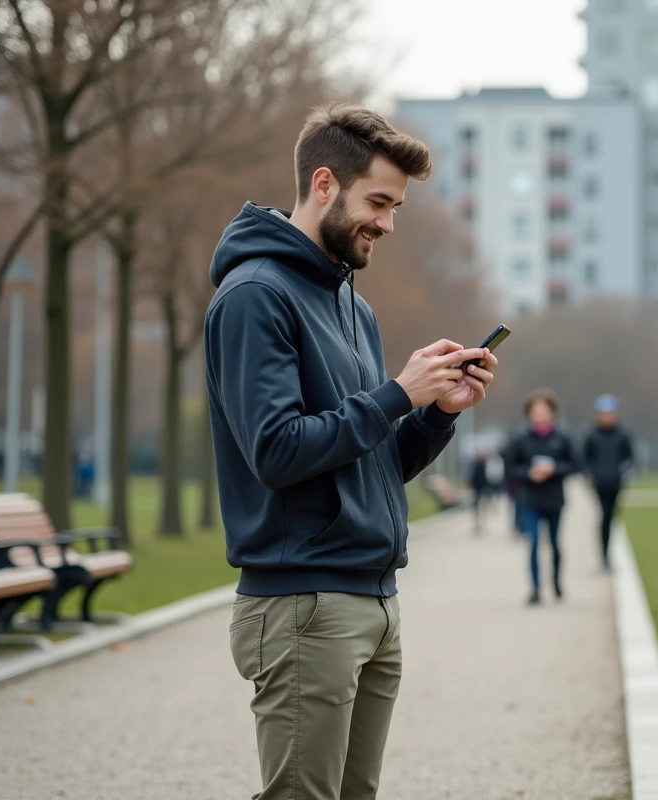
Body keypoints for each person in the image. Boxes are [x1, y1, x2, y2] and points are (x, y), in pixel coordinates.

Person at [203, 103, 497, 800]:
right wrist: (398, 393)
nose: (388, 225)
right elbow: (275, 451)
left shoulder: (353, 308)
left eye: (394, 207)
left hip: (372, 598)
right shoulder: (254, 296)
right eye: (379, 203)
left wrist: (433, 416)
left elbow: (371, 463)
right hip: (303, 603)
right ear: (325, 184)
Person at [505, 389, 577, 605]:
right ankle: (535, 588)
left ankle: (556, 580)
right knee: (534, 542)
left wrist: (553, 469)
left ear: (552, 412)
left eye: (544, 411)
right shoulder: (520, 439)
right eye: (535, 411)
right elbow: (510, 468)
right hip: (529, 498)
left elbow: (574, 465)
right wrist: (529, 473)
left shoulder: (562, 438)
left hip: (554, 498)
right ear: (528, 414)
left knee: (554, 543)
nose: (539, 415)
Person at [582, 394, 634, 571]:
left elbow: (629, 458)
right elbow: (585, 458)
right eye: (603, 413)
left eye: (609, 413)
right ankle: (604, 557)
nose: (606, 416)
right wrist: (589, 475)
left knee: (611, 518)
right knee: (604, 517)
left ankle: (607, 555)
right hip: (599, 483)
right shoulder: (593, 435)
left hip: (615, 482)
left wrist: (624, 472)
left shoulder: (622, 435)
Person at [467, 448, 493, 534]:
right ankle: (477, 524)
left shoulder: (485, 464)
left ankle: (481, 523)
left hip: (483, 488)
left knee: (483, 507)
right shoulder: (473, 464)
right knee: (476, 507)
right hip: (476, 488)